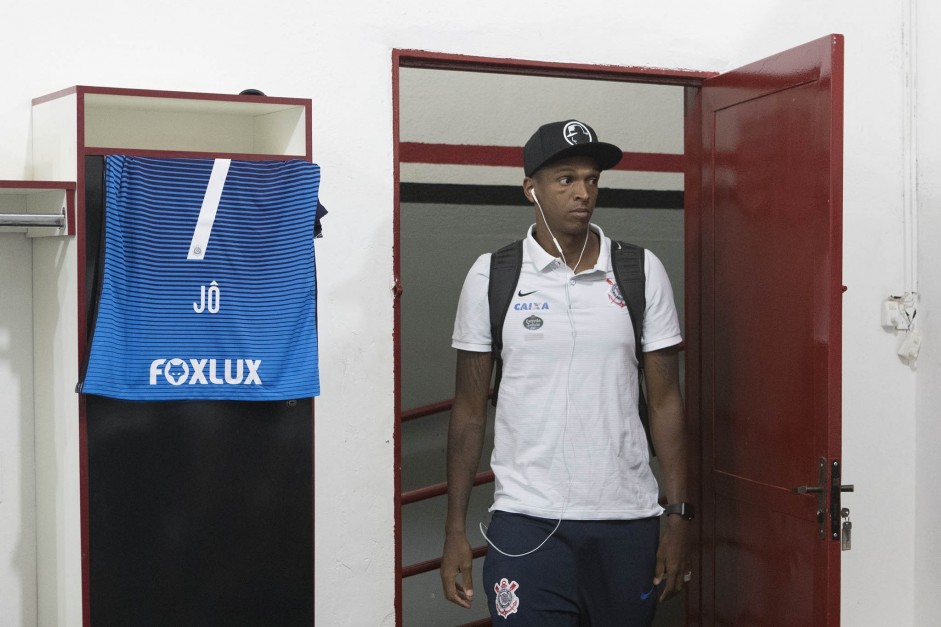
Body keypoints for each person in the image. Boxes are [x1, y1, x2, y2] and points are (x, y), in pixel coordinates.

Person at [441, 119, 692, 625]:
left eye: (592, 179)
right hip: (526, 521)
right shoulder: (493, 275)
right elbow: (469, 412)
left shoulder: (640, 271)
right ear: (529, 188)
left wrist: (679, 516)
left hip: (626, 518)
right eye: (566, 179)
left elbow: (666, 402)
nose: (583, 193)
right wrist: (454, 530)